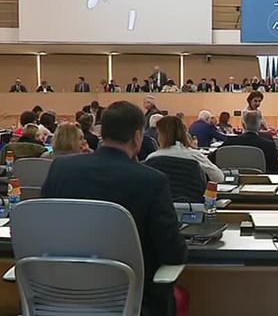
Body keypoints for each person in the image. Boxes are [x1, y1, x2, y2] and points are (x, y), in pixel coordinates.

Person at [41, 101, 187, 316]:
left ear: (102, 133)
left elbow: (43, 227)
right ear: (138, 137)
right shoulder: (151, 181)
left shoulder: (61, 168)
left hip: (60, 295)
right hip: (132, 301)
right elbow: (173, 253)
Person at [146, 116, 224, 183]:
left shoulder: (152, 158)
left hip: (162, 200)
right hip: (192, 199)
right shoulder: (195, 156)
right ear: (184, 133)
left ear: (161, 135)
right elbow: (219, 178)